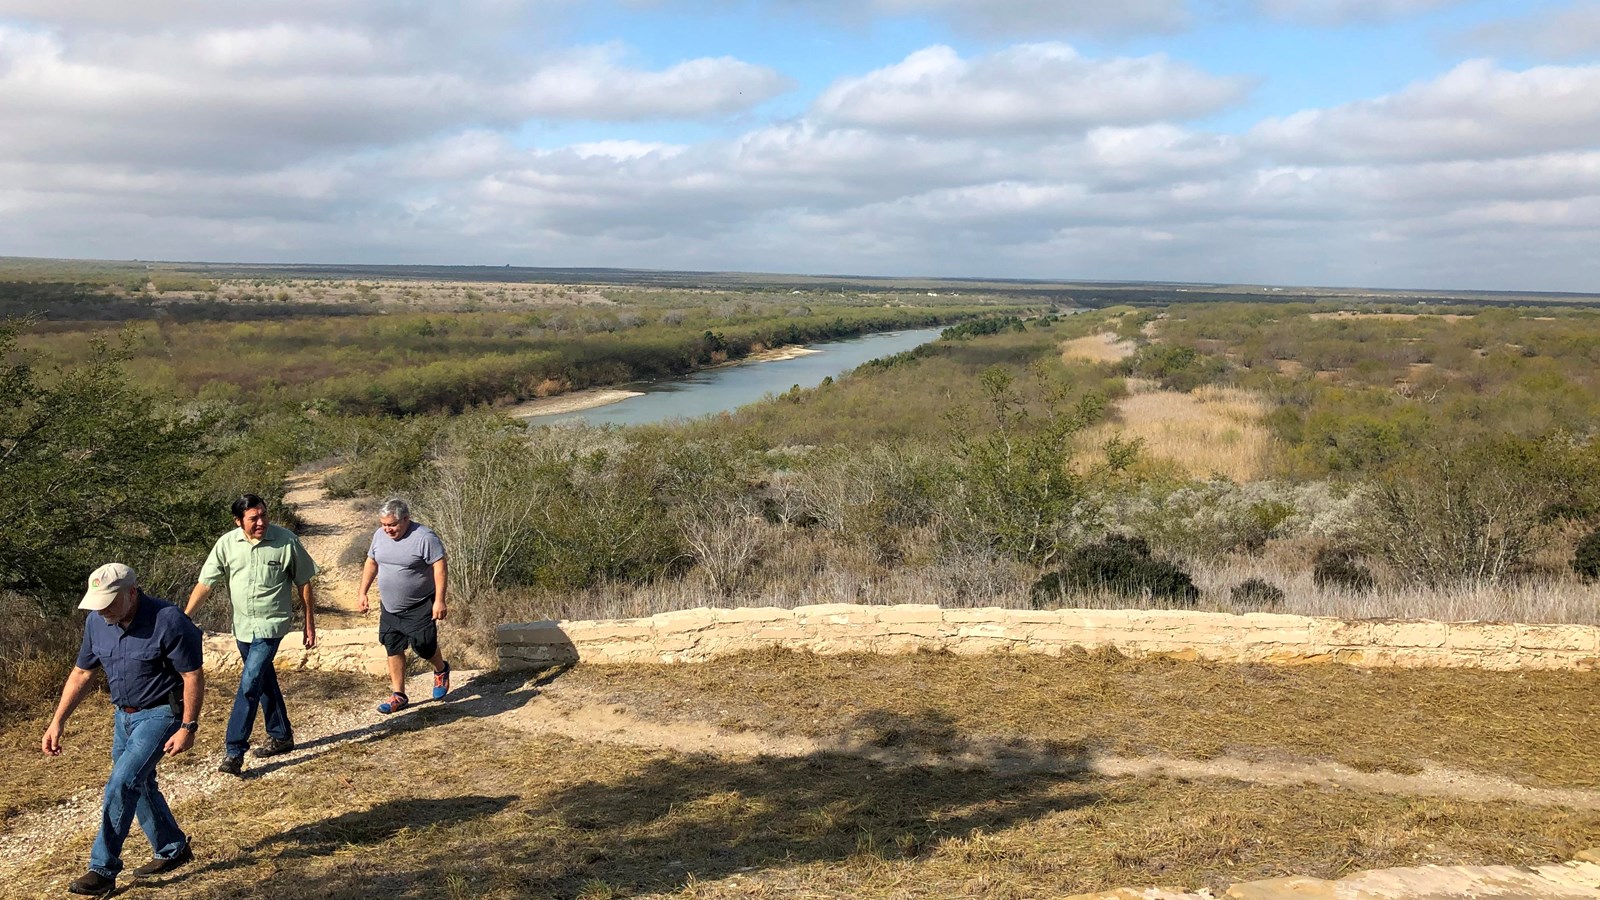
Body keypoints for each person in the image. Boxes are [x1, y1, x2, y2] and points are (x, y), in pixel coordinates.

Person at [42, 563, 204, 896]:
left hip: (161, 713)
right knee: (139, 782)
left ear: (132, 593)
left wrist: (188, 726)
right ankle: (172, 848)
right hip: (123, 717)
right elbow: (82, 675)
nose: (102, 610)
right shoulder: (96, 622)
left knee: (122, 782)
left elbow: (192, 675)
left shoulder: (169, 619)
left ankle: (102, 869)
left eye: (109, 602)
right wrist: (58, 720)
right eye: (97, 602)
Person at [185, 494, 317, 776]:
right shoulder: (226, 544)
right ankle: (281, 735)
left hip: (272, 625)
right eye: (253, 518)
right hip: (242, 627)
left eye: (264, 516)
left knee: (249, 682)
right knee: (263, 679)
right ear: (238, 521)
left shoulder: (286, 540)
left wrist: (309, 622)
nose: (261, 522)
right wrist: (184, 618)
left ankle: (234, 751)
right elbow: (206, 583)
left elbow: (304, 582)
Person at [357, 497, 450, 714]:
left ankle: (441, 669)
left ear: (406, 519)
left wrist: (440, 600)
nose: (387, 529)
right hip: (390, 607)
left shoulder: (424, 537)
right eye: (384, 525)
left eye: (392, 525)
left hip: (419, 605)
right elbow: (371, 562)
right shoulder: (379, 536)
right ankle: (398, 694)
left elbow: (440, 567)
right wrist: (362, 592)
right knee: (393, 645)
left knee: (424, 646)